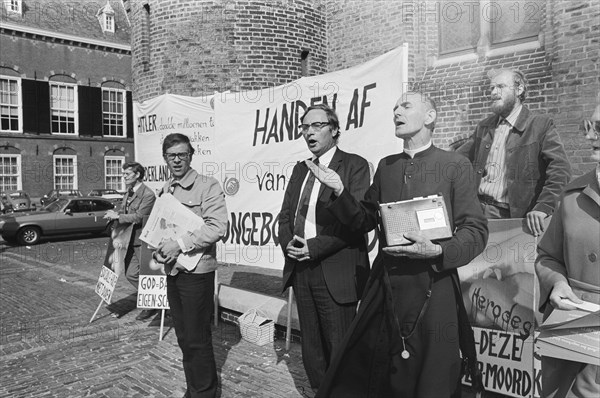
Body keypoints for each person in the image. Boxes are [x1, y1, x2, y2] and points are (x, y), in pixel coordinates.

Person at [309, 92, 488, 397]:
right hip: (387, 287)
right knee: (376, 372)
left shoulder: (454, 164)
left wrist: (439, 250)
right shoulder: (387, 165)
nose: (396, 111)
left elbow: (476, 230)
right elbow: (365, 220)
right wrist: (340, 191)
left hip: (433, 283)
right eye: (394, 107)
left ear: (429, 117)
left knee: (432, 377)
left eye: (405, 106)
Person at [278, 104, 371, 392]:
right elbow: (284, 217)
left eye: (316, 125)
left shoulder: (354, 166)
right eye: (305, 127)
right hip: (302, 269)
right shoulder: (300, 168)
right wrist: (290, 245)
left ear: (333, 128)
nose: (309, 132)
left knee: (340, 348)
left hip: (335, 272)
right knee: (312, 351)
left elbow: (357, 222)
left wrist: (314, 247)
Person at [153, 133, 228, 398]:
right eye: (171, 155)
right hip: (173, 271)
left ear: (191, 155)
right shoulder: (166, 189)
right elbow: (163, 230)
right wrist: (161, 250)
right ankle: (194, 388)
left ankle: (205, 393)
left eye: (182, 154)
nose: (177, 160)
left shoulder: (208, 185)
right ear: (165, 158)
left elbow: (218, 227)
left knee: (197, 338)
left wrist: (180, 244)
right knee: (184, 337)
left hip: (198, 273)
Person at [535, 103, 600, 398]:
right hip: (568, 336)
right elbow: (548, 256)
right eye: (589, 124)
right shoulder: (572, 195)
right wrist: (557, 282)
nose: (589, 136)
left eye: (597, 128)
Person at [458, 68, 571, 236]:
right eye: (491, 88)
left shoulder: (541, 125)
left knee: (506, 262)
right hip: (476, 213)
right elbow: (457, 160)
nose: (494, 92)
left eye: (501, 86)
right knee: (475, 262)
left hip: (513, 218)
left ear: (519, 90)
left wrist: (544, 206)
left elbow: (560, 170)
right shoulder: (484, 126)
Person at [103, 161, 157, 321]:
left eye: (127, 174)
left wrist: (118, 217)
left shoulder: (148, 194)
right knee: (131, 274)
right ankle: (153, 300)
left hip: (142, 242)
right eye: (123, 174)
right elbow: (122, 211)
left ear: (137, 175)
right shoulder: (129, 192)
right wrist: (114, 214)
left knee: (149, 275)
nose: (123, 176)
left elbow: (140, 217)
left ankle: (152, 305)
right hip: (127, 241)